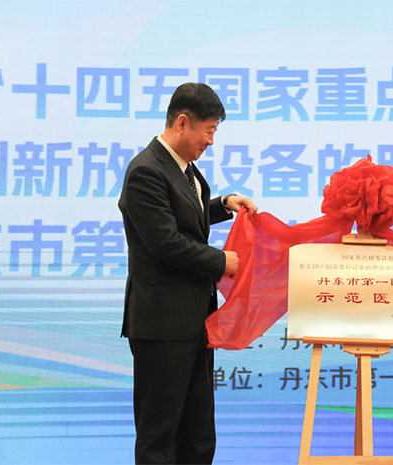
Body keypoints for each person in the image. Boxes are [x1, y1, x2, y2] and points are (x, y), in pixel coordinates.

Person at [118, 82, 257, 464]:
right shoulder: (145, 171)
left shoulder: (185, 170)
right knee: (160, 437)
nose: (211, 141)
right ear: (182, 122)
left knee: (197, 434)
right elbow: (165, 241)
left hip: (195, 323)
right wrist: (221, 262)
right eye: (208, 131)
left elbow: (184, 216)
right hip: (162, 326)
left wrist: (223, 204)